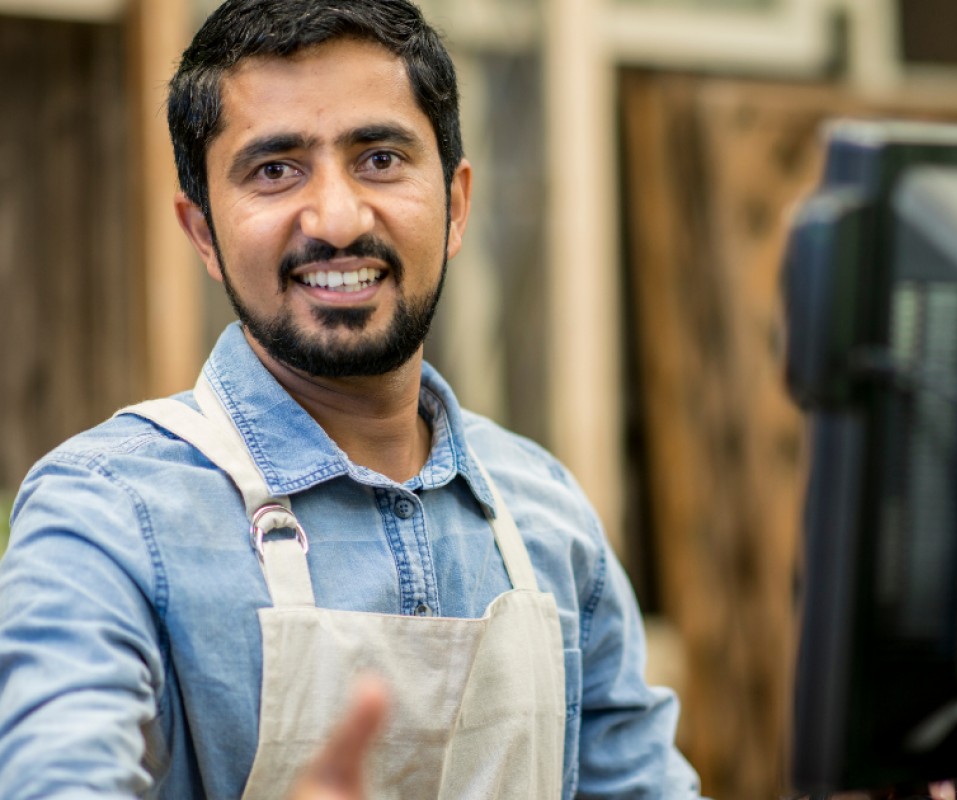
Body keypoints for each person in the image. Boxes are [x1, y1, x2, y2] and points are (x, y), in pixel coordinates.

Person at [0, 1, 703, 797]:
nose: (336, 219)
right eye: (275, 169)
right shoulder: (105, 516)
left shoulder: (546, 514)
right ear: (203, 234)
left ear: (457, 204)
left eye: (379, 159)